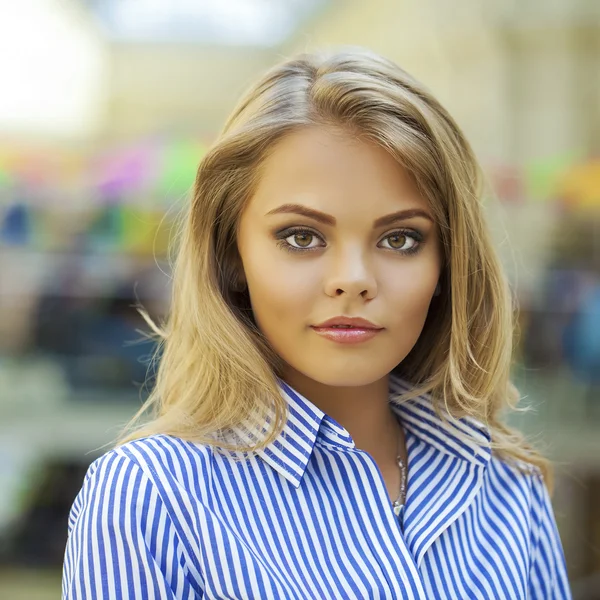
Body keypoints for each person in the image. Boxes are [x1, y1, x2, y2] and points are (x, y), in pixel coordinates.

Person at [61, 48, 571, 599]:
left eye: (400, 239)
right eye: (301, 237)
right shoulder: (149, 496)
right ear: (232, 257)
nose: (352, 280)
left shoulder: (506, 487)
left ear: (447, 263)